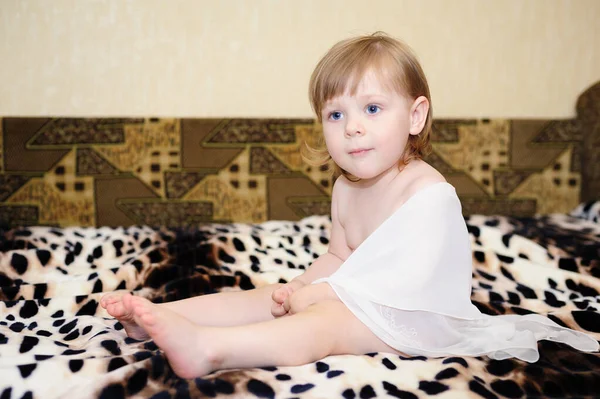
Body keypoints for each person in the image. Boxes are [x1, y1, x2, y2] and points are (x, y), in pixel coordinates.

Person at [100, 32, 598, 379]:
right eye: (336, 113)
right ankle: (158, 317)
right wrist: (300, 285)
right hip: (358, 298)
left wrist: (324, 299)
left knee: (322, 326)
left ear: (415, 116)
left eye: (373, 108)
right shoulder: (345, 189)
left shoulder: (426, 193)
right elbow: (340, 258)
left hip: (416, 319)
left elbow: (412, 284)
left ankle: (208, 350)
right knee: (271, 297)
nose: (352, 126)